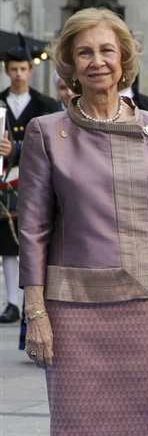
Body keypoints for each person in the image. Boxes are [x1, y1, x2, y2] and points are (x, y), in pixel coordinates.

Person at [16, 7, 148, 436]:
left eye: (107, 50)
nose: (97, 61)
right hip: (72, 309)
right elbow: (33, 228)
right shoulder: (46, 132)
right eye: (85, 53)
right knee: (78, 430)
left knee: (138, 430)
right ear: (70, 65)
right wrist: (35, 310)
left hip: (147, 304)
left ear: (124, 58)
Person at [0, 35, 60, 325]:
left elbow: (51, 143)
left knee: (34, 238)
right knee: (7, 242)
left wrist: (16, 149)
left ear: (30, 71)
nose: (18, 74)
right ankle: (12, 301)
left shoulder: (45, 103)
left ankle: (32, 300)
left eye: (23, 69)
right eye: (13, 69)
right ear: (6, 71)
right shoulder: (0, 102)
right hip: (4, 181)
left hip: (35, 179)